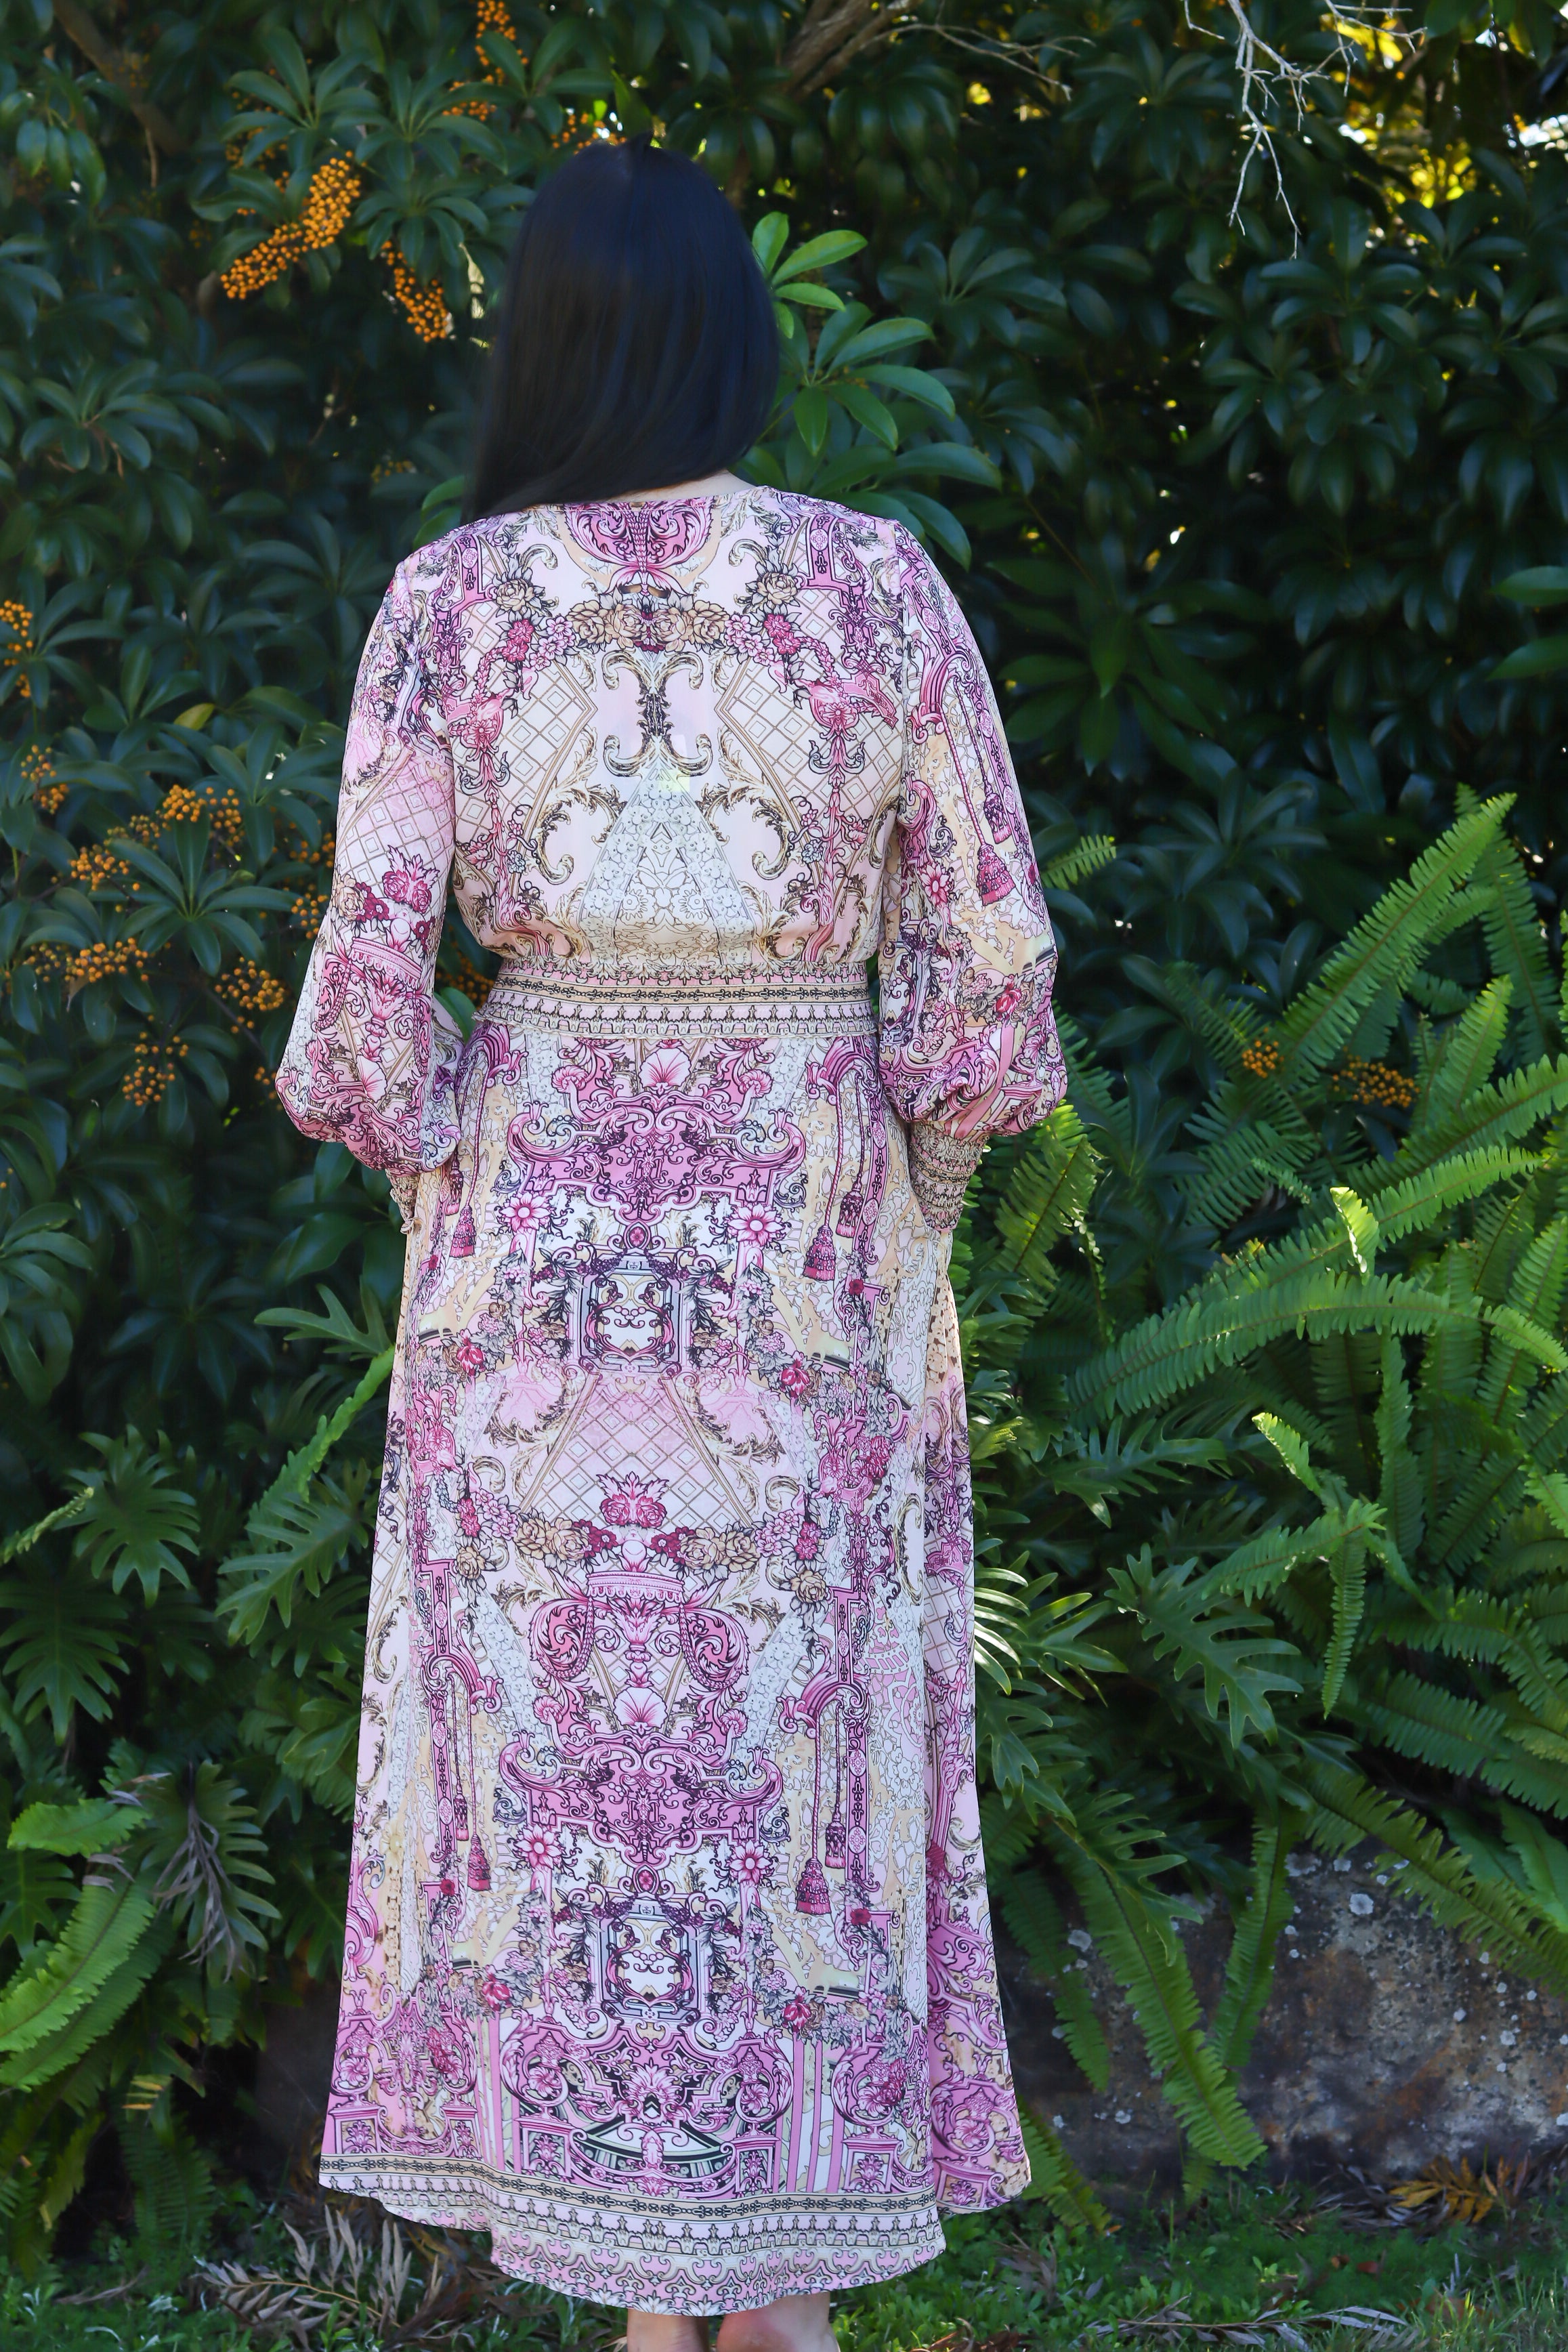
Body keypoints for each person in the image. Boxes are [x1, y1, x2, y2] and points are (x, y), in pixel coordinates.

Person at [276, 131, 1065, 2352]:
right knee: (793, 1753)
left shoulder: (448, 603)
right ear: (734, 337)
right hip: (807, 1254)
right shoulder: (876, 588)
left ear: (535, 343)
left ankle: (639, 2297)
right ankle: (776, 2292)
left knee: (569, 1771)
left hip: (527, 1265)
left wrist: (452, 1182)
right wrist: (911, 1211)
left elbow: (363, 1004)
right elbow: (988, 976)